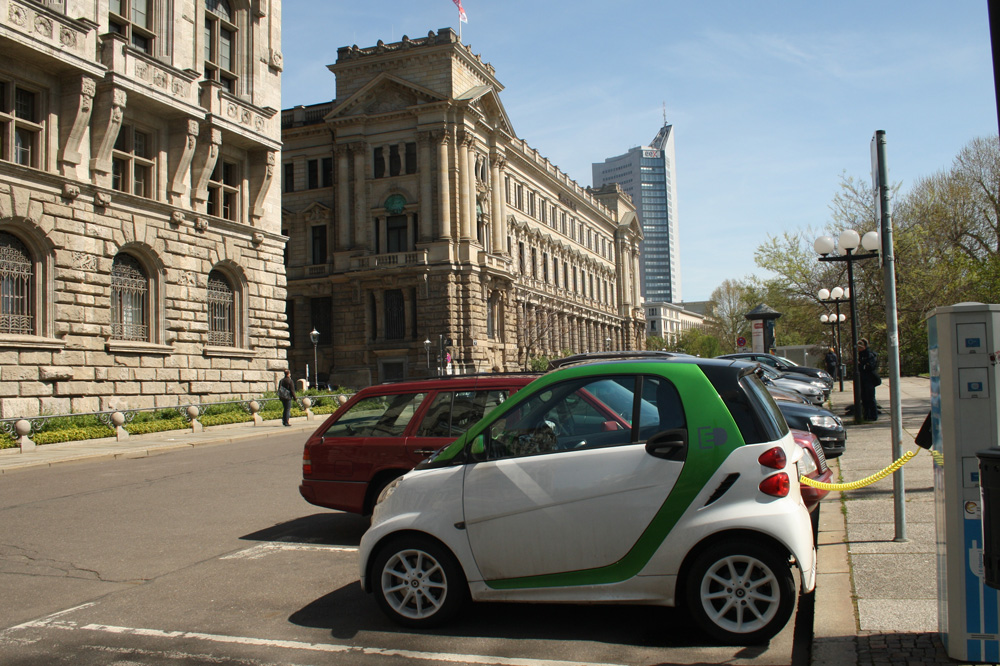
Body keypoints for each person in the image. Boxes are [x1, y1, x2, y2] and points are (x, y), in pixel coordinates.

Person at [857, 338, 880, 421]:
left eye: (860, 347)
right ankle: (866, 415)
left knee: (870, 397)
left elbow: (870, 366)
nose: (859, 349)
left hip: (869, 379)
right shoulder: (861, 355)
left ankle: (873, 415)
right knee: (864, 398)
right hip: (863, 378)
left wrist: (861, 365)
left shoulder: (869, 355)